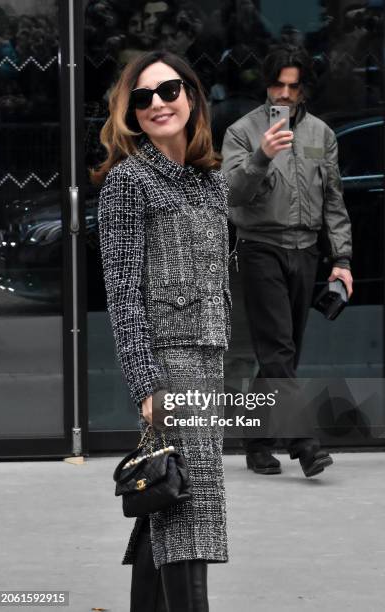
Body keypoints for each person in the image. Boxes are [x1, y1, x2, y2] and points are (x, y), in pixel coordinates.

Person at [93, 50, 231, 611]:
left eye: (168, 90)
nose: (157, 104)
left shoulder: (210, 182)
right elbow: (123, 296)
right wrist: (147, 384)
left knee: (170, 493)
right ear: (130, 112)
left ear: (191, 97)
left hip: (210, 360)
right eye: (142, 97)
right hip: (169, 366)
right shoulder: (129, 183)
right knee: (192, 508)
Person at [221, 44, 353, 478]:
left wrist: (342, 259)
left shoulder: (321, 135)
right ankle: (304, 442)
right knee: (278, 348)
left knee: (282, 354)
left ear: (303, 90)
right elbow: (232, 195)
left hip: (307, 251)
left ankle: (257, 442)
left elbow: (334, 200)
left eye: (292, 86)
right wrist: (263, 155)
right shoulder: (243, 132)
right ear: (266, 83)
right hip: (260, 247)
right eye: (277, 84)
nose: (283, 93)